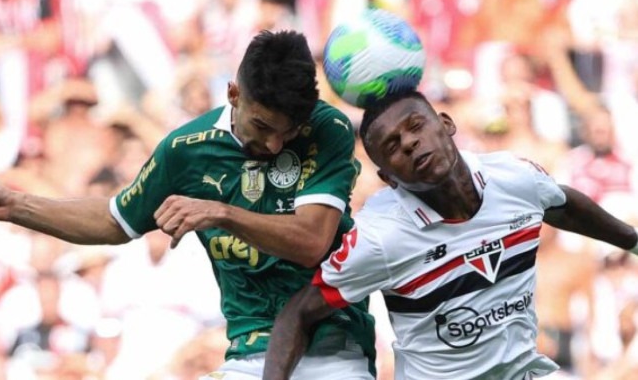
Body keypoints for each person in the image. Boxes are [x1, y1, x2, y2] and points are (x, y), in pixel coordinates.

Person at [0, 30, 376, 379]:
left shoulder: (327, 127)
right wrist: (14, 206)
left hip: (332, 349)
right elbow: (112, 221)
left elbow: (311, 241)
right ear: (233, 94)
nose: (273, 145)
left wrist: (220, 212)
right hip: (250, 354)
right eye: (263, 127)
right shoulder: (186, 150)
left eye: (287, 132)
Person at [262, 90, 638, 380]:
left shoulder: (515, 179)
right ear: (388, 178)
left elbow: (563, 203)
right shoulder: (380, 237)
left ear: (446, 123)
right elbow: (297, 313)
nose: (409, 142)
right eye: (392, 146)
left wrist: (632, 241)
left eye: (415, 125)